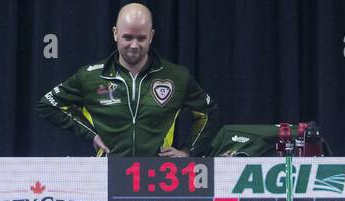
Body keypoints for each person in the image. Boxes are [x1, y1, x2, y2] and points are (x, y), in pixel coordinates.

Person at [37, 3, 219, 157]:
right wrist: (90, 134)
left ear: (152, 36)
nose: (134, 45)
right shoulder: (90, 77)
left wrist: (188, 152)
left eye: (141, 38)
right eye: (127, 37)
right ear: (115, 34)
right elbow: (48, 105)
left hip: (157, 178)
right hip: (105, 177)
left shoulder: (177, 76)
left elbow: (208, 113)